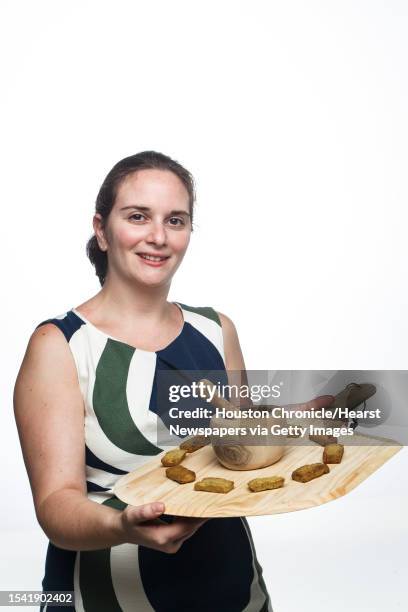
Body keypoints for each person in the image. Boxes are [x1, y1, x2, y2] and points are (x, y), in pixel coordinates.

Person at [13, 151, 274, 612]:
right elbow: (56, 505)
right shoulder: (60, 345)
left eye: (176, 220)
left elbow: (241, 453)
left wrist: (301, 421)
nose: (158, 237)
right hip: (106, 594)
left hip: (232, 589)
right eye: (138, 216)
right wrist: (122, 528)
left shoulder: (217, 331)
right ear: (101, 229)